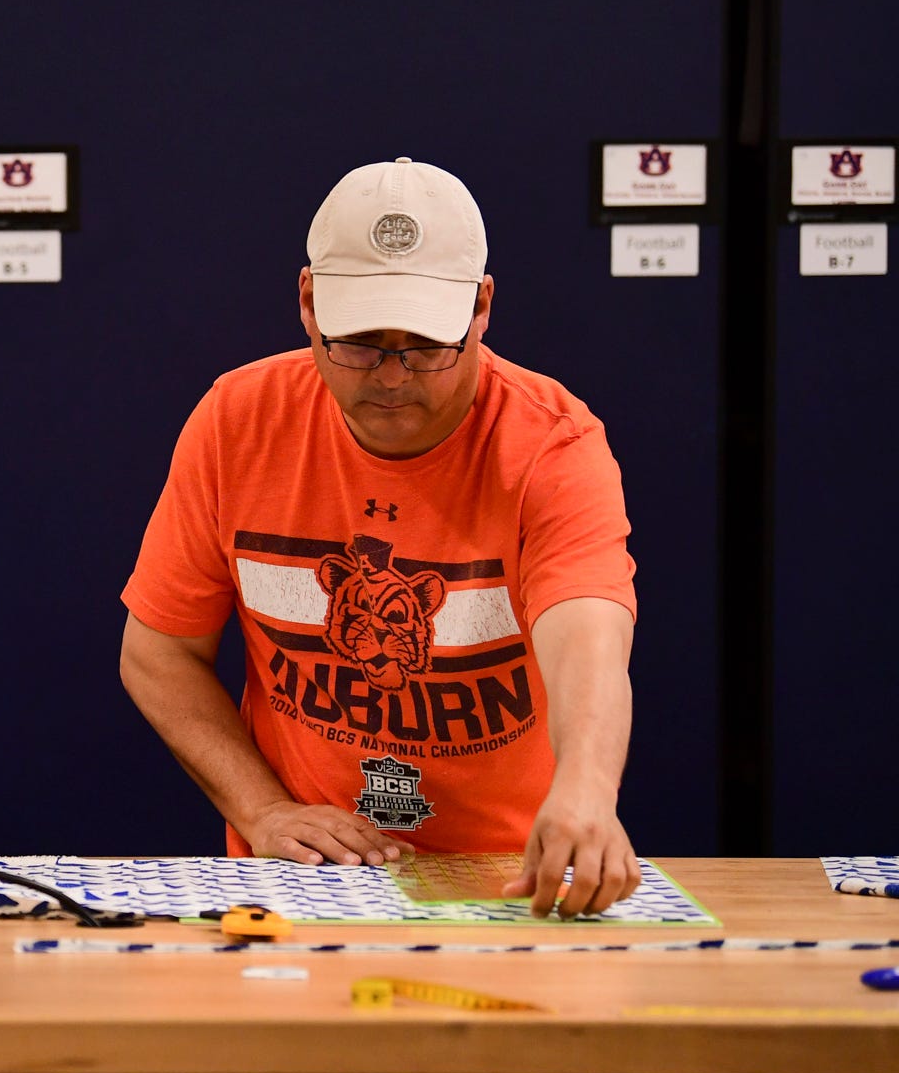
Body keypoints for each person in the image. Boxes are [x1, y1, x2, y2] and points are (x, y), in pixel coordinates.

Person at [118, 157, 640, 919]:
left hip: (511, 879)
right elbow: (156, 652)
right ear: (307, 302)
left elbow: (588, 637)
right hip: (305, 884)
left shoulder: (551, 445)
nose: (393, 377)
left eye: (427, 345)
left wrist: (589, 791)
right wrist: (262, 810)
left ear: (481, 308)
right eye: (360, 342)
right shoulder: (237, 423)